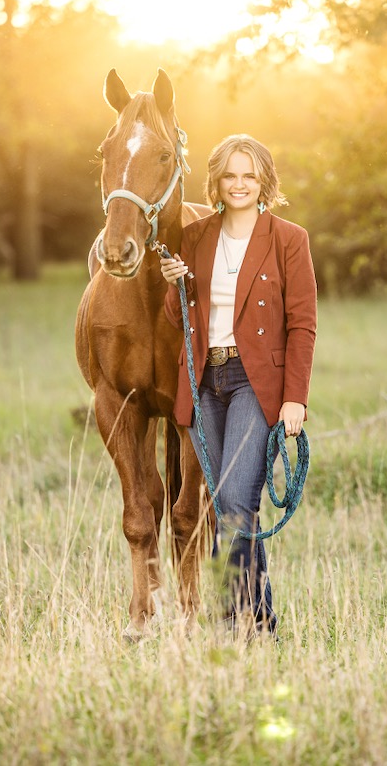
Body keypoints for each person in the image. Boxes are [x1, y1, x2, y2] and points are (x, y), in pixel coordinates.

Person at [160, 134, 317, 637]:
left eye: (249, 174)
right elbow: (179, 319)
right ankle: (262, 619)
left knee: (232, 502)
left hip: (258, 382)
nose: (240, 184)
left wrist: (295, 398)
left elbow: (303, 322)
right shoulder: (196, 236)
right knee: (232, 503)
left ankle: (231, 621)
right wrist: (175, 283)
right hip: (207, 380)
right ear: (217, 182)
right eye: (230, 175)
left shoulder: (289, 239)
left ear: (264, 180)